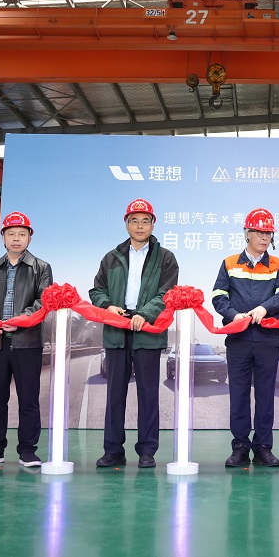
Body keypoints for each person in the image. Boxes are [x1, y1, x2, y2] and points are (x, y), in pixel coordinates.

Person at [89, 199, 179, 469]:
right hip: (117, 328)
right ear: (126, 224)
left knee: (148, 394)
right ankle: (113, 450)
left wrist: (145, 314)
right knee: (115, 393)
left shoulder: (165, 258)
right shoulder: (111, 257)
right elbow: (96, 290)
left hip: (147, 331)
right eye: (134, 221)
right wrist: (108, 306)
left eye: (145, 221)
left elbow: (167, 293)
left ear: (153, 224)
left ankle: (147, 451)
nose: (140, 226)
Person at [0, 211, 53, 468]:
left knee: (28, 399)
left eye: (22, 234)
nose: (16, 239)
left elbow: (43, 301)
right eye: (11, 234)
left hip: (27, 342)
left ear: (29, 238)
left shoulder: (41, 268)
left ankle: (28, 451)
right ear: (4, 238)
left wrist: (18, 321)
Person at [212, 208, 279, 467]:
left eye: (268, 233)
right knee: (239, 394)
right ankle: (239, 447)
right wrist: (234, 315)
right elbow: (218, 297)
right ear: (247, 233)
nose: (265, 237)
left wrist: (264, 308)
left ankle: (263, 447)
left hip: (268, 339)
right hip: (239, 339)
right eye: (259, 232)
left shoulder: (278, 264)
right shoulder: (229, 263)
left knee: (266, 394)